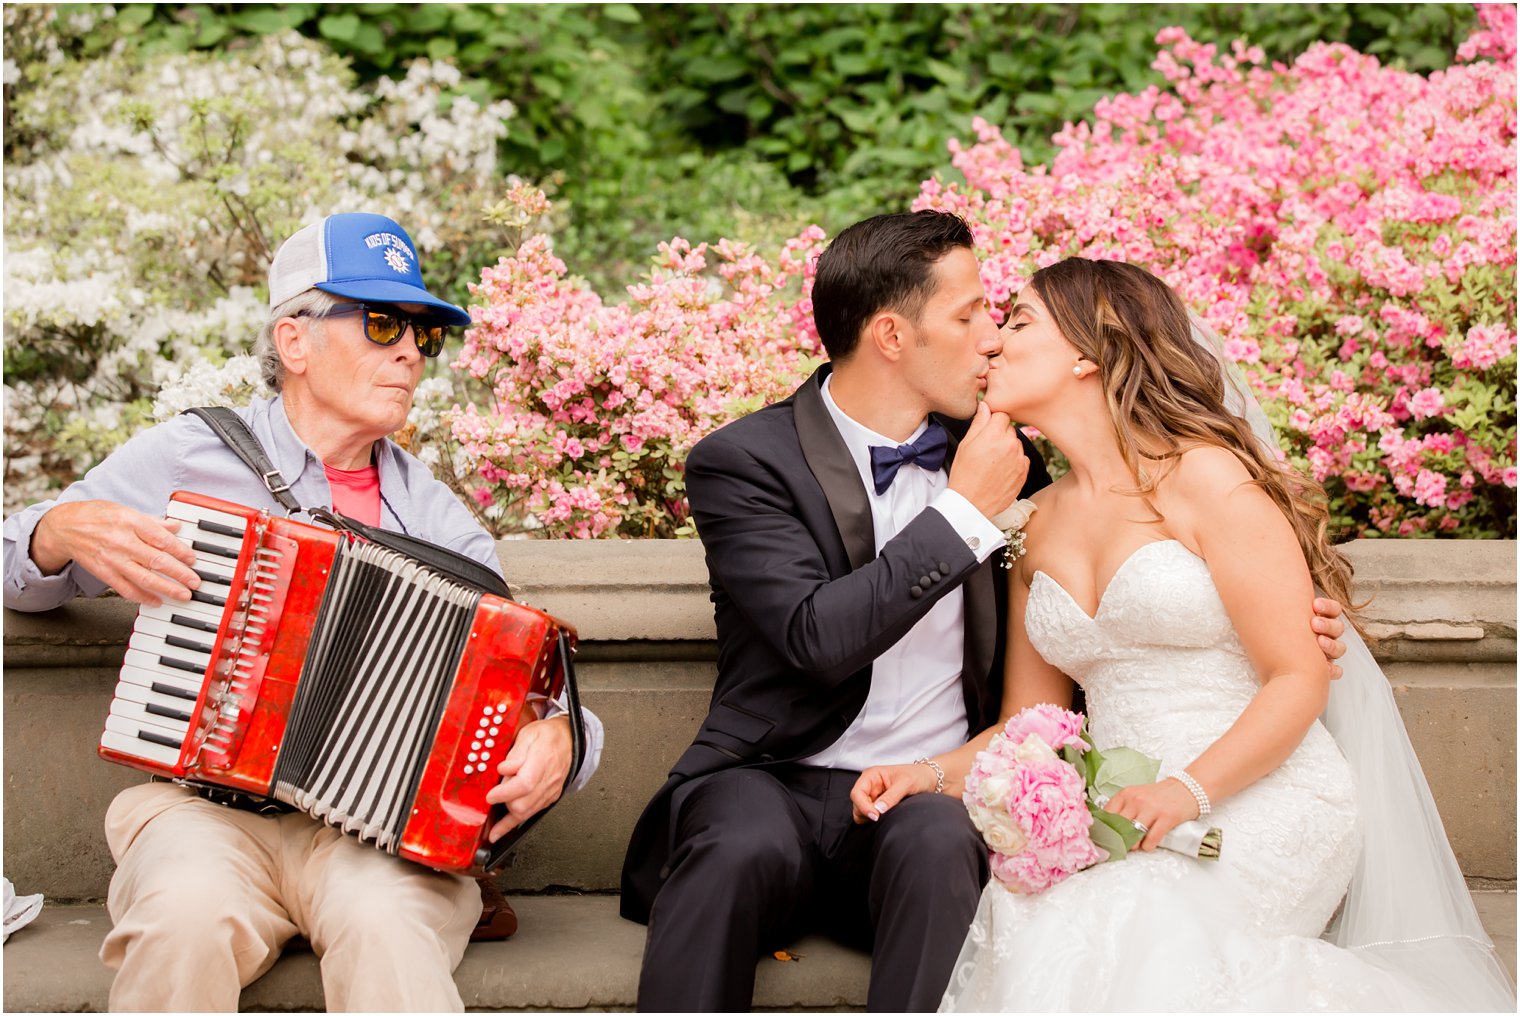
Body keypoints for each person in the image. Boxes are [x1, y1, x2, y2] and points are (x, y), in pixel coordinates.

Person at [619, 212, 1348, 1012]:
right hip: (771, 776)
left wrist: (1283, 626)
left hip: (936, 792)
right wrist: (964, 514)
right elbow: (814, 638)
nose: (990, 339)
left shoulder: (1018, 459)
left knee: (939, 847)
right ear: (893, 336)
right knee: (737, 843)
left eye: (1002, 319)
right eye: (970, 317)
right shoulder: (746, 462)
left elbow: (1149, 574)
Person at [850, 257, 1515, 1011]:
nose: (994, 342)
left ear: (1088, 351)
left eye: (1018, 321)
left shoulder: (1208, 479)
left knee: (1133, 928)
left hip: (1262, 796)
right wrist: (924, 775)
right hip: (1125, 818)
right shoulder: (1031, 526)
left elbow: (1296, 677)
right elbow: (1027, 728)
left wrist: (1186, 790)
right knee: (1041, 924)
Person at [2, 212, 605, 1012]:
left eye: (423, 335)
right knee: (182, 920)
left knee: (387, 927)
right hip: (202, 814)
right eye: (383, 322)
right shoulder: (191, 456)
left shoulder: (443, 528)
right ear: (293, 341)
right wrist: (53, 528)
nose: (409, 353)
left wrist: (563, 736)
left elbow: (536, 694)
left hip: (381, 843)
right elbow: (16, 569)